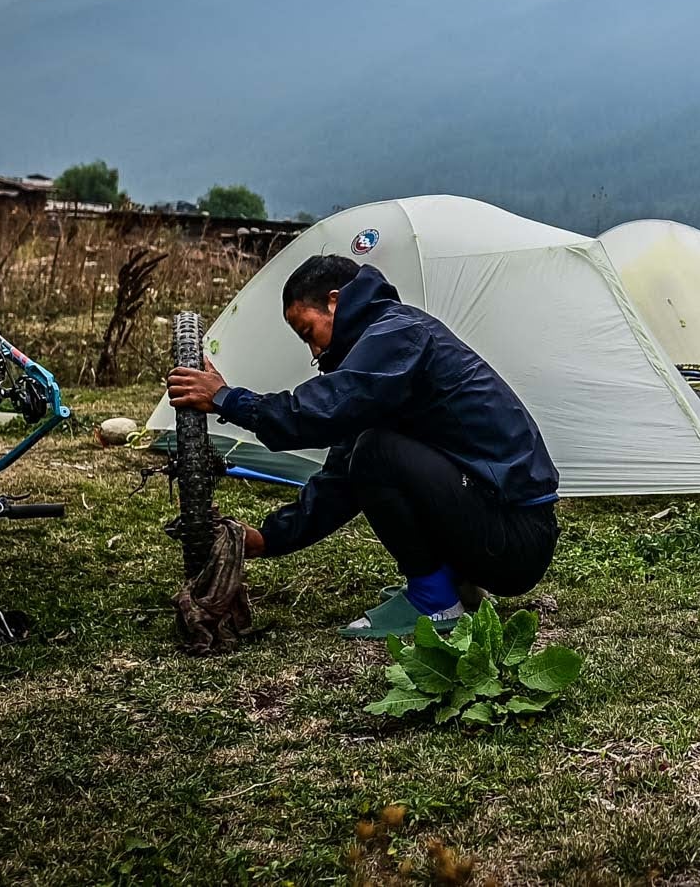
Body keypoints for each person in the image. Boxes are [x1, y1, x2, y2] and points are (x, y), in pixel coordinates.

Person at [168, 255, 560, 639]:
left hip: (515, 539)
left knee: (377, 452)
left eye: (308, 332)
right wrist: (269, 538)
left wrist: (227, 398)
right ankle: (459, 589)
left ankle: (434, 601)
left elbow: (316, 415)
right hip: (497, 530)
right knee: (368, 453)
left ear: (335, 300)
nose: (314, 352)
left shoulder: (398, 335)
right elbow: (343, 475)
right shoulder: (387, 346)